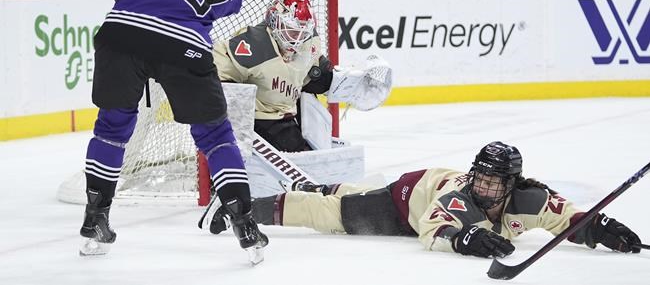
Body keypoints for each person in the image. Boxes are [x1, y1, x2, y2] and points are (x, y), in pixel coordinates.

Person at [78, 0, 268, 261]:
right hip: (184, 46)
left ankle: (95, 219)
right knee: (215, 136)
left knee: (112, 128)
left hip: (124, 31)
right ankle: (244, 222)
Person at [206, 141, 643, 258]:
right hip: (407, 201)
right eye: (482, 178)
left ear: (512, 184)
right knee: (330, 214)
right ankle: (239, 207)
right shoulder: (461, 197)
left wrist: (598, 228)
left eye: (495, 182)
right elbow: (432, 229)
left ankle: (335, 186)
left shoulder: (530, 198)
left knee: (343, 195)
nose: (485, 187)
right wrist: (464, 240)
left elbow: (565, 216)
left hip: (427, 189)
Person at [211, 0, 333, 152]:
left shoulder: (309, 43)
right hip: (260, 120)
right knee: (300, 154)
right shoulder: (254, 45)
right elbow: (218, 73)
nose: (297, 39)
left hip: (289, 113)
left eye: (302, 33)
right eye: (292, 30)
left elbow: (314, 72)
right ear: (275, 21)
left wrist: (347, 82)